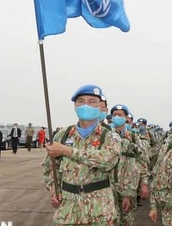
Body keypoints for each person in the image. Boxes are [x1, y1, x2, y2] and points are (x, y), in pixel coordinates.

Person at [42, 84, 121, 226]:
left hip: (99, 210)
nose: (86, 105)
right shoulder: (63, 135)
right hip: (68, 209)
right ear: (75, 106)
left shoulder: (109, 136)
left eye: (92, 101)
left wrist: (67, 151)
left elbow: (108, 161)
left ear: (100, 106)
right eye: (81, 101)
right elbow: (49, 167)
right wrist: (54, 190)